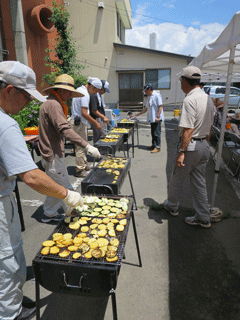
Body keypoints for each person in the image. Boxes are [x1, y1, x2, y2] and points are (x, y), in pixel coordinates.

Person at [0, 61, 85, 320]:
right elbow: (32, 177)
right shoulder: (6, 125)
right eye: (26, 95)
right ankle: (9, 314)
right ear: (9, 90)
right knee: (8, 264)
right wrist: (67, 194)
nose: (27, 102)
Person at [39, 74, 101, 222]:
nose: (69, 95)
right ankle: (74, 214)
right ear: (60, 90)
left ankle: (48, 214)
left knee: (55, 185)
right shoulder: (53, 104)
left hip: (51, 152)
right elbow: (65, 130)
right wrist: (87, 146)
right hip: (52, 153)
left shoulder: (52, 102)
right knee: (66, 187)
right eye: (67, 92)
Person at [164, 66, 215, 228]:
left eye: (181, 81)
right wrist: (205, 142)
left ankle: (172, 206)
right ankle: (203, 217)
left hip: (191, 146)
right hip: (204, 146)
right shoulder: (208, 98)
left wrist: (181, 152)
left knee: (177, 178)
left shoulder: (190, 99)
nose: (180, 84)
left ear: (185, 81)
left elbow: (188, 129)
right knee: (199, 182)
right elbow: (211, 125)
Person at [70, 77, 103, 177]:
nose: (95, 93)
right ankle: (80, 170)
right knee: (81, 147)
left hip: (77, 121)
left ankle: (84, 165)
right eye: (95, 90)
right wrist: (96, 123)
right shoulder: (85, 94)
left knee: (83, 145)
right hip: (79, 123)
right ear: (92, 86)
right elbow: (84, 113)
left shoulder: (79, 90)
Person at [135, 84, 164, 153]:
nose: (145, 92)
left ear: (149, 89)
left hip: (156, 118)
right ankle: (154, 145)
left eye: (145, 91)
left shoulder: (157, 95)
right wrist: (138, 114)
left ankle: (158, 147)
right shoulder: (149, 97)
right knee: (153, 133)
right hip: (152, 118)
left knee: (157, 133)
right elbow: (146, 108)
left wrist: (158, 116)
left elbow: (160, 106)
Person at [89, 80, 110, 144]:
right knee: (99, 136)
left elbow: (101, 108)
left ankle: (102, 151)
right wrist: (103, 117)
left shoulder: (99, 96)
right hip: (96, 119)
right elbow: (94, 110)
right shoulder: (93, 95)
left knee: (102, 135)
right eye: (104, 90)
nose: (104, 92)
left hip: (100, 118)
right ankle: (99, 152)